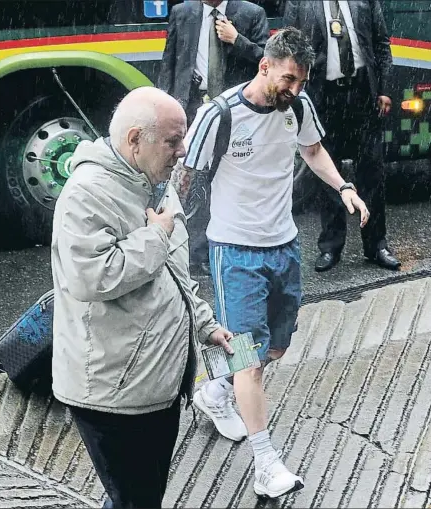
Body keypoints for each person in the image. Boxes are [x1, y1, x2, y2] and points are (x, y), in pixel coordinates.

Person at [173, 27, 370, 499]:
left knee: (275, 348)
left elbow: (313, 149)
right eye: (288, 79)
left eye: (301, 81)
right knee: (251, 361)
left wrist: (343, 187)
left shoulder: (296, 108)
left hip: (283, 249)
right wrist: (164, 228)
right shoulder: (219, 115)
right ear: (265, 66)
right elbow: (184, 174)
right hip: (234, 254)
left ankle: (214, 390)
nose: (295, 89)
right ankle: (265, 461)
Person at [51, 87, 234, 509]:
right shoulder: (86, 193)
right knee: (137, 498)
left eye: (183, 138)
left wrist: (204, 325)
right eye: (173, 140)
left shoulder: (155, 180)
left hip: (157, 387)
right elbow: (91, 277)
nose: (183, 151)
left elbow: (174, 270)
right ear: (135, 139)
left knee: (139, 495)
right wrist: (155, 236)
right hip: (114, 396)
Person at [283, 0, 401, 272]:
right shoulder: (299, 4)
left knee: (372, 173)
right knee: (328, 175)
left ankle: (377, 246)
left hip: (363, 95)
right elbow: (290, 49)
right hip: (324, 98)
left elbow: (381, 45)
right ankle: (330, 248)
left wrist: (384, 89)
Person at [158, 0, 270, 274]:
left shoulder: (251, 14)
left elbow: (266, 63)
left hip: (233, 111)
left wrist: (237, 40)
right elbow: (170, 61)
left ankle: (224, 244)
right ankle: (193, 252)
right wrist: (161, 104)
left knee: (227, 177)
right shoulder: (182, 13)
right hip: (193, 105)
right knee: (192, 178)